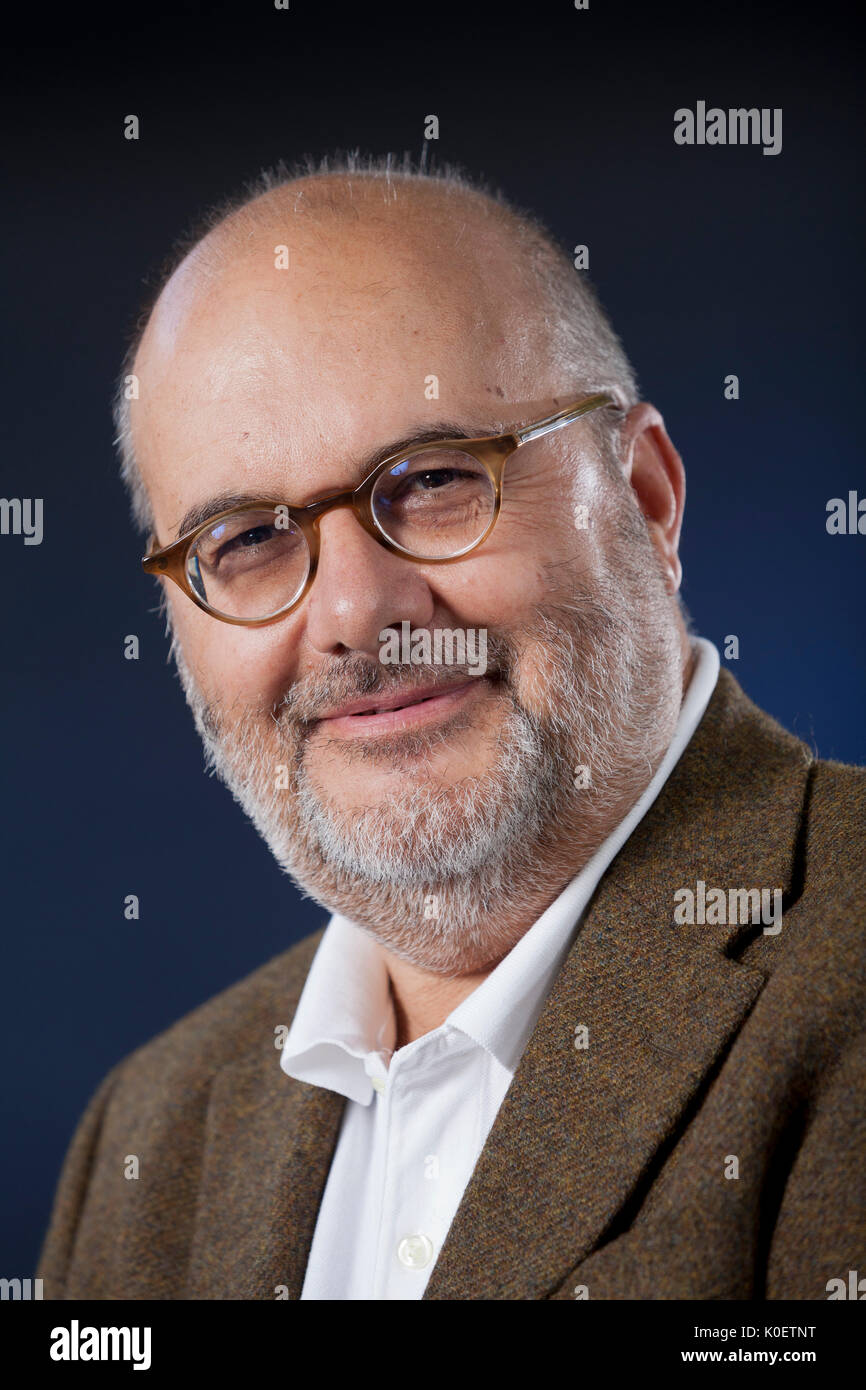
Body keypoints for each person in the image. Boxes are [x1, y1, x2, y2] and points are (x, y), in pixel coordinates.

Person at [38, 155, 865, 1300]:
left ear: (644, 499)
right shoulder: (146, 1132)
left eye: (430, 479)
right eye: (246, 538)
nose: (352, 612)